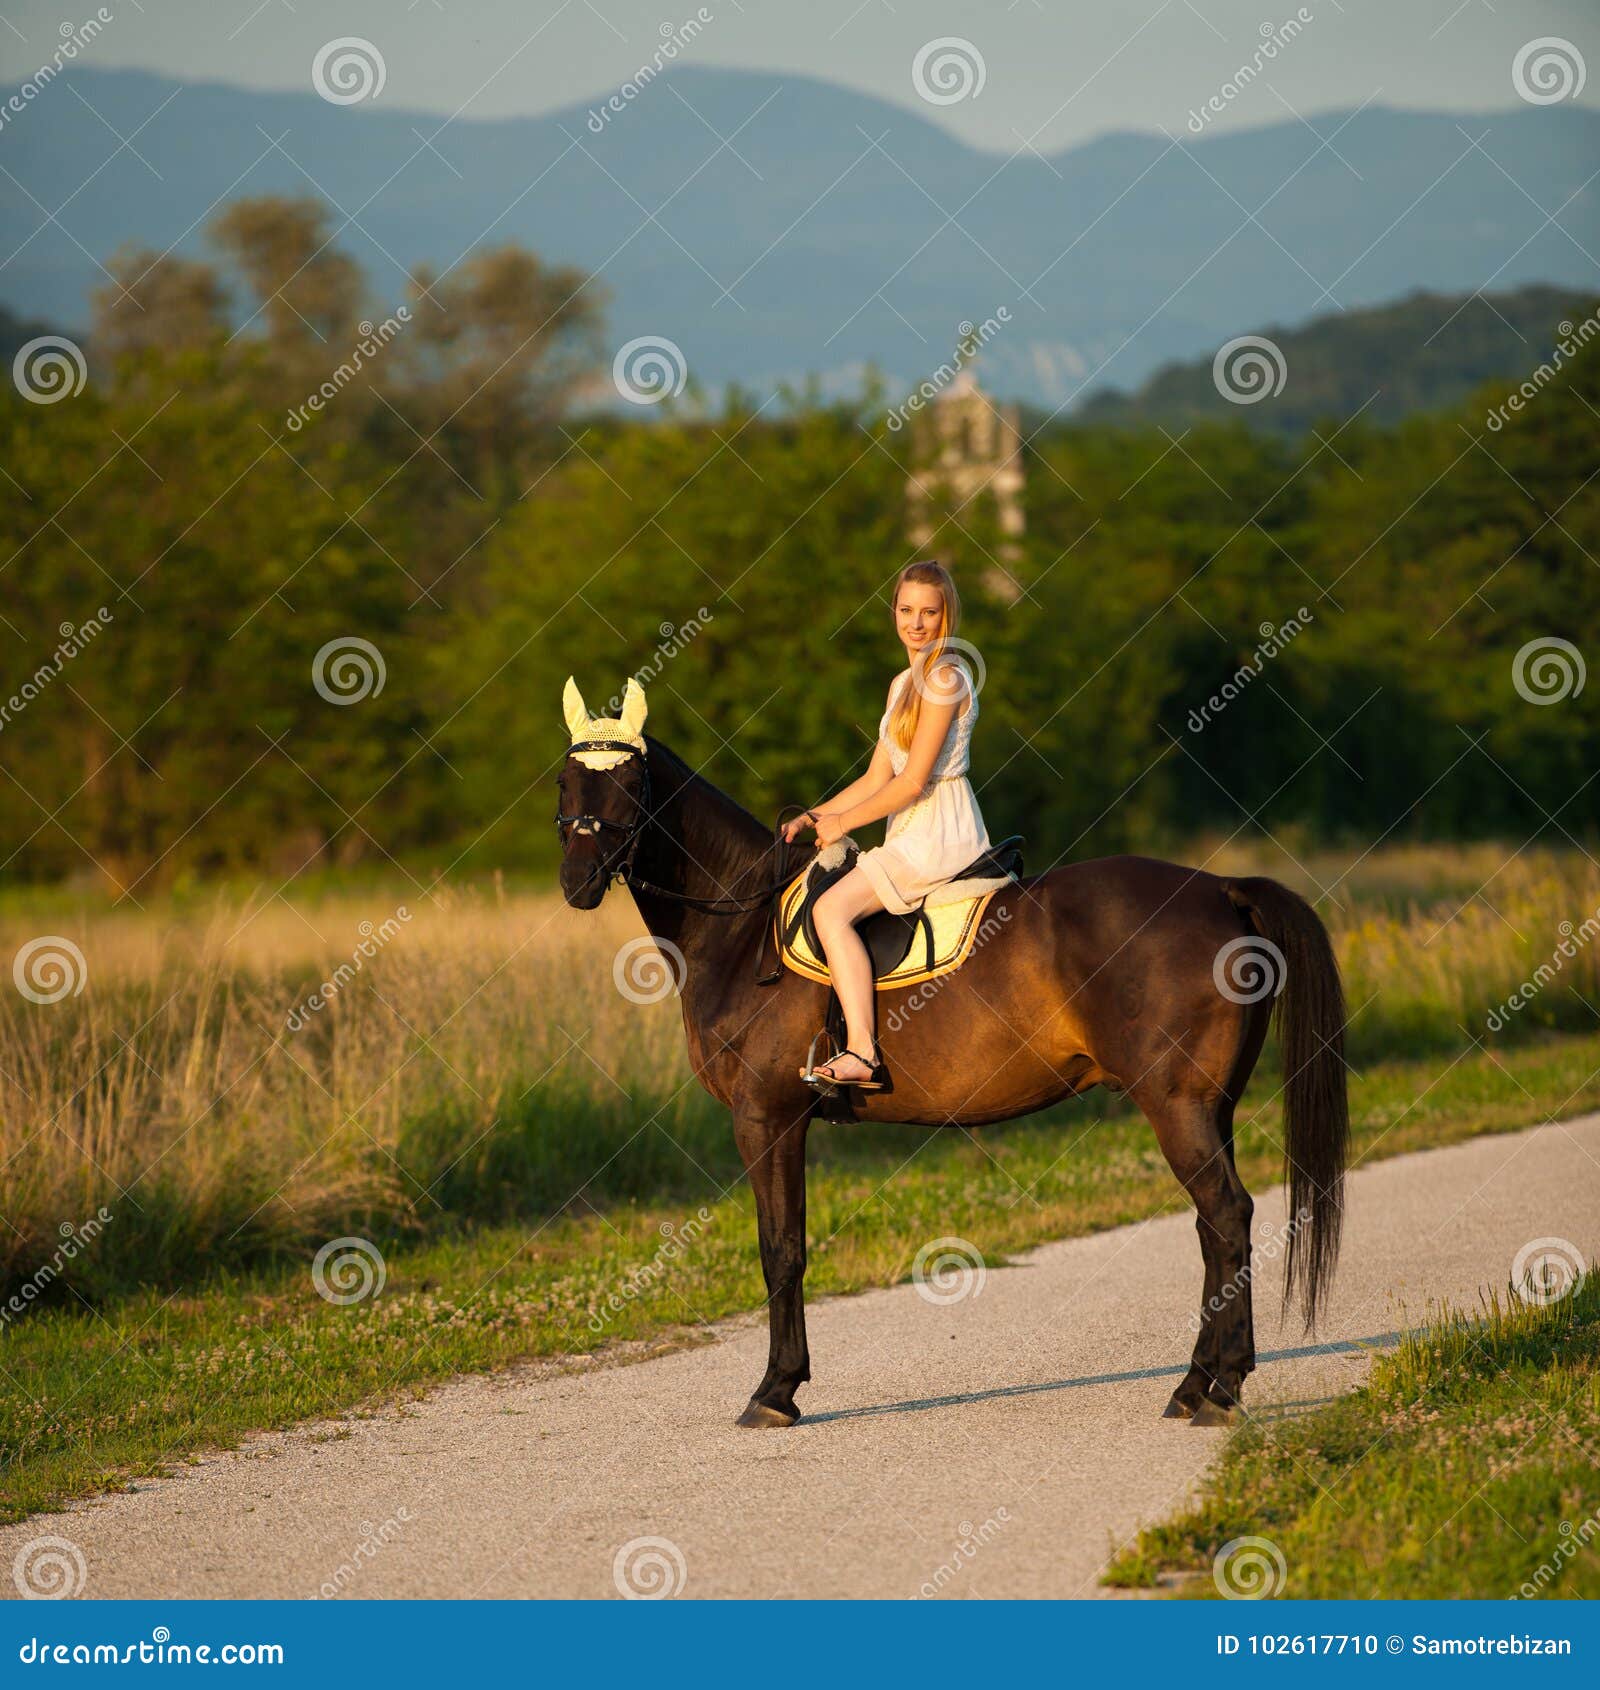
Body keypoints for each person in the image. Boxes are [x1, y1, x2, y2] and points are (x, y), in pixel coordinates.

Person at [783, 560, 991, 1089]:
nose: (916, 622)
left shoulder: (945, 676)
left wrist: (845, 825)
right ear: (893, 613)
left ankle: (861, 1052)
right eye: (906, 610)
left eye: (928, 611)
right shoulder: (903, 682)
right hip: (908, 829)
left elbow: (914, 781)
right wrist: (816, 816)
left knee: (830, 910)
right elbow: (879, 776)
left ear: (947, 615)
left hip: (939, 829)